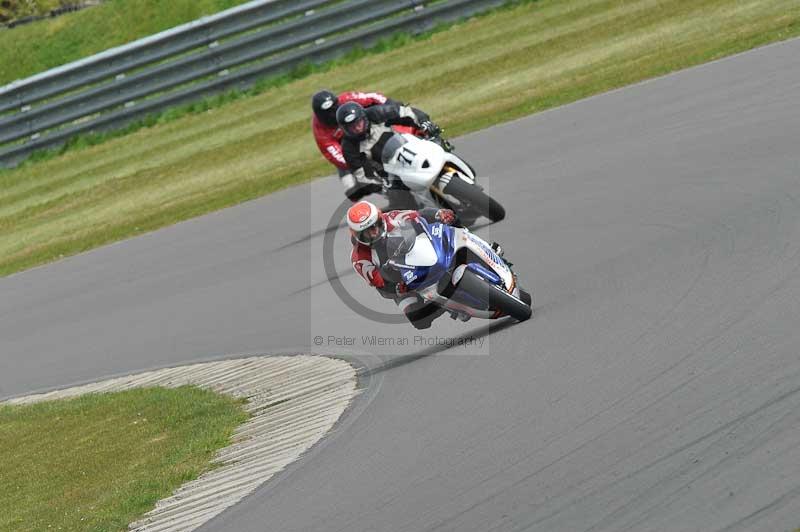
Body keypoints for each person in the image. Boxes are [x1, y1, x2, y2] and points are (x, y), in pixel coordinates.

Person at [347, 200, 458, 329]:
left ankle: (481, 246)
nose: (374, 233)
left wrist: (439, 214)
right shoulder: (360, 259)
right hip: (403, 281)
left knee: (452, 222)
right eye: (367, 231)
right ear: (357, 234)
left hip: (424, 253)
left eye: (374, 226)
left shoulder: (393, 218)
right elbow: (381, 286)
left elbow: (419, 214)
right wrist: (397, 289)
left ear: (379, 219)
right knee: (418, 320)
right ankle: (448, 305)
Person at [336, 101, 443, 196]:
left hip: (406, 146)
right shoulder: (348, 147)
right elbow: (362, 175)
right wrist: (381, 186)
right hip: (389, 172)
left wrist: (423, 122)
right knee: (404, 204)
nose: (357, 128)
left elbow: (405, 113)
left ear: (363, 117)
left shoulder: (375, 113)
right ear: (345, 129)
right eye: (352, 127)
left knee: (434, 140)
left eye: (358, 122)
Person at [311, 89, 401, 201]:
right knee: (352, 185)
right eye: (327, 114)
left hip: (369, 130)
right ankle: (390, 193)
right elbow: (336, 156)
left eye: (334, 109)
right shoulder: (320, 132)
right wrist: (361, 163)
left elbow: (372, 96)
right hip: (351, 150)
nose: (332, 114)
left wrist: (390, 104)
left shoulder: (347, 99)